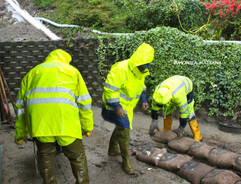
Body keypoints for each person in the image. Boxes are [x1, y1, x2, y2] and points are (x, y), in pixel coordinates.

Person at [14, 49, 94, 184]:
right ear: (66, 60)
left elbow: (20, 108)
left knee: (45, 155)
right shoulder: (72, 71)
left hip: (41, 124)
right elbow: (84, 103)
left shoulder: (32, 73)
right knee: (77, 156)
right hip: (66, 122)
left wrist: (21, 135)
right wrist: (87, 127)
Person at [102, 43, 154, 175]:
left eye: (148, 64)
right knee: (124, 130)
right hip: (114, 105)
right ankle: (126, 163)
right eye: (144, 64)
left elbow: (141, 86)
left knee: (121, 127)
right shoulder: (121, 69)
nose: (146, 68)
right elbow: (110, 90)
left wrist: (143, 100)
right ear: (138, 61)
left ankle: (112, 150)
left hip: (127, 107)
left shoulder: (141, 71)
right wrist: (117, 107)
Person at [149, 75, 203, 142]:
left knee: (189, 112)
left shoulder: (178, 95)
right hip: (174, 83)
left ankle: (198, 136)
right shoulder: (158, 92)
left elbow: (184, 112)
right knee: (167, 109)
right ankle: (166, 130)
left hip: (186, 85)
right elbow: (155, 107)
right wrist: (154, 120)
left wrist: (181, 128)